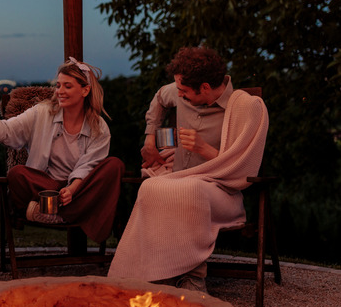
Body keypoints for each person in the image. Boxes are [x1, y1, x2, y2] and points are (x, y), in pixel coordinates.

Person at [108, 46, 269, 292]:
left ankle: (193, 277)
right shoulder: (181, 89)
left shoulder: (245, 108)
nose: (179, 95)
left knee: (190, 189)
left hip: (222, 191)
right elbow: (160, 97)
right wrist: (150, 139)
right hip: (181, 180)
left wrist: (204, 148)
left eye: (184, 92)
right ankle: (154, 273)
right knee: (151, 186)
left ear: (204, 87)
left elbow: (240, 169)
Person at [0, 57, 125, 245]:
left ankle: (55, 213)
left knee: (115, 165)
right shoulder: (42, 112)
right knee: (17, 174)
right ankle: (74, 212)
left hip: (79, 188)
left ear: (85, 90)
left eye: (67, 86)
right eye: (58, 85)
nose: (60, 91)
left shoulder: (99, 128)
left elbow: (89, 165)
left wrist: (72, 190)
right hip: (45, 187)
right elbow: (9, 130)